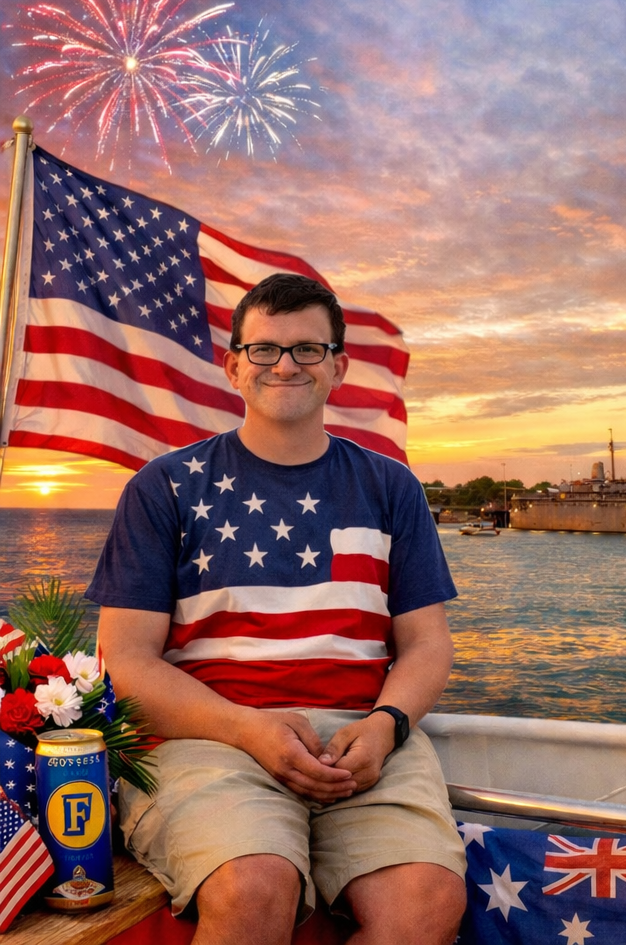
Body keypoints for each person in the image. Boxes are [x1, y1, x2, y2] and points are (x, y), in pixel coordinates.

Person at [90, 273, 467, 945]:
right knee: (254, 885)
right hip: (206, 741)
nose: (285, 365)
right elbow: (124, 661)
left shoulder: (392, 487)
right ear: (233, 365)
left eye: (308, 349)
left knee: (424, 905)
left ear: (338, 367)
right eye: (263, 349)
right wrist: (247, 729)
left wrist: (385, 727)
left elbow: (427, 644)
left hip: (361, 740)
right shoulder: (163, 487)